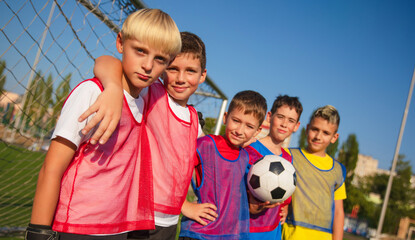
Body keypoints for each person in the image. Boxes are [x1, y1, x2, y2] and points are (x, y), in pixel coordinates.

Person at [26, 9, 181, 240]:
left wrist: (115, 86)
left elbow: (108, 63)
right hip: (77, 226)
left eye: (160, 59)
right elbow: (51, 168)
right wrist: (38, 231)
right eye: (140, 51)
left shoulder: (148, 97)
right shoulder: (93, 93)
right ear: (120, 42)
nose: (148, 65)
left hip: (118, 228)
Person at [80, 31, 217, 239]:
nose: (181, 78)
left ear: (202, 75)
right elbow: (104, 62)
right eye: (173, 68)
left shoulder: (194, 120)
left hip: (170, 222)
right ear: (162, 70)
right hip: (140, 216)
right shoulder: (153, 93)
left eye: (190, 71)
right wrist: (114, 86)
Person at [179, 90, 268, 240]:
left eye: (249, 126)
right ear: (225, 118)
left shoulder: (247, 158)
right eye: (236, 121)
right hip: (199, 233)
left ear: (258, 130)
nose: (240, 131)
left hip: (231, 235)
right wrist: (184, 206)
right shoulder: (206, 145)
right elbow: (172, 172)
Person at [282, 105, 346, 240]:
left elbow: (339, 212)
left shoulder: (337, 170)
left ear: (334, 137)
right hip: (291, 233)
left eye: (326, 133)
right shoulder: (289, 156)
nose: (318, 136)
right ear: (307, 129)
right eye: (315, 129)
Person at [245, 95, 302, 240]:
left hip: (273, 231)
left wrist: (286, 207)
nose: (284, 124)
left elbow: (286, 195)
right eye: (280, 117)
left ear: (296, 126)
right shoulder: (250, 150)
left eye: (291, 121)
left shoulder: (288, 159)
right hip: (248, 228)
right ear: (269, 117)